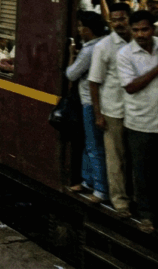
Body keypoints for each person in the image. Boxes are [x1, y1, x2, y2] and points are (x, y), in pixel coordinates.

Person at [117, 10, 158, 234]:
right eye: (136, 30)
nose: (140, 34)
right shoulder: (125, 54)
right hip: (139, 121)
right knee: (142, 172)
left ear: (153, 29)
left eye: (145, 29)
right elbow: (130, 86)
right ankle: (146, 216)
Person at [87, 2, 133, 218]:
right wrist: (98, 114)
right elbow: (94, 82)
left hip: (138, 111)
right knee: (116, 159)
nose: (118, 24)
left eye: (122, 19)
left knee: (133, 158)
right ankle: (120, 202)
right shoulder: (103, 46)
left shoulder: (141, 39)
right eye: (114, 20)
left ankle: (133, 197)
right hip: (113, 110)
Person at [65, 12, 107, 204]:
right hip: (102, 102)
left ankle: (99, 189)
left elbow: (72, 74)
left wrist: (71, 56)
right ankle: (88, 180)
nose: (79, 30)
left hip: (90, 102)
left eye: (81, 26)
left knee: (92, 145)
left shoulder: (89, 50)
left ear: (88, 30)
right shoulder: (106, 43)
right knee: (91, 144)